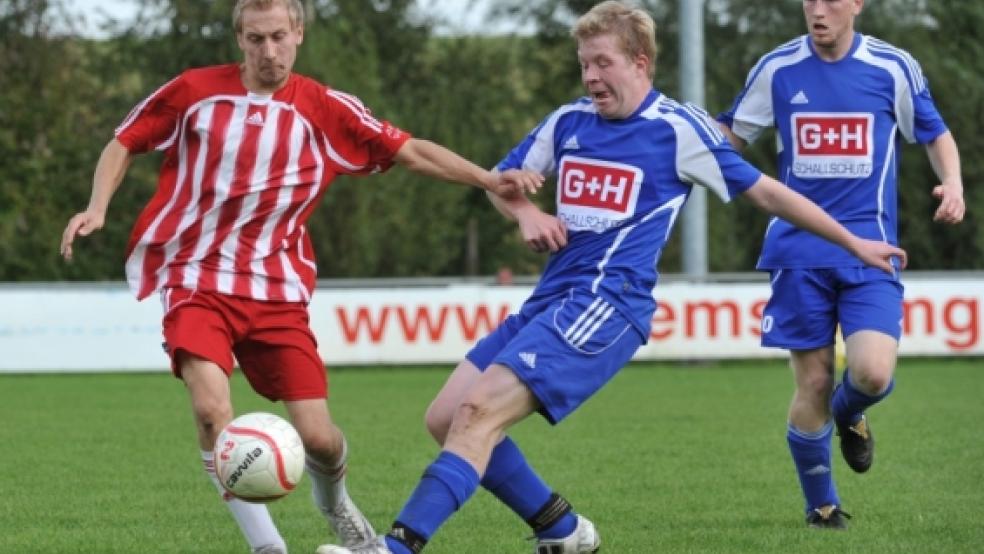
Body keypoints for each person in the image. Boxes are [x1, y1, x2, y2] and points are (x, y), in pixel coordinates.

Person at [315, 2, 908, 553]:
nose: (591, 77)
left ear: (640, 63)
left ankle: (394, 547)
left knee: (477, 416)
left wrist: (853, 242)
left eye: (604, 63)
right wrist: (526, 211)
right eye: (584, 65)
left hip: (608, 304)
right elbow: (504, 182)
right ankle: (563, 529)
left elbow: (770, 193)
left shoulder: (678, 129)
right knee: (444, 418)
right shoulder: (568, 120)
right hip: (551, 299)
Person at [58, 1, 542, 553]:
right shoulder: (195, 91)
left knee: (320, 440)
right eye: (257, 38)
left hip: (276, 291)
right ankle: (268, 547)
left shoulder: (324, 107)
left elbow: (408, 150)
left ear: (299, 34)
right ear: (239, 38)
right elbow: (125, 139)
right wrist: (98, 207)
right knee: (212, 411)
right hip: (194, 275)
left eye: (279, 37)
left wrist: (486, 179)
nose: (269, 51)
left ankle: (333, 499)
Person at [717, 0, 964, 529]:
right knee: (812, 384)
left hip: (872, 249)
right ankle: (822, 507)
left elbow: (935, 133)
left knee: (872, 373)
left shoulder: (892, 67)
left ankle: (850, 413)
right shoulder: (777, 68)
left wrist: (954, 182)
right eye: (810, 0)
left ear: (857, 5)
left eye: (832, 0)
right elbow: (729, 137)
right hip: (796, 250)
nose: (817, 10)